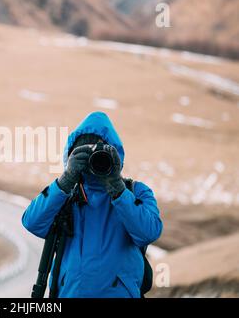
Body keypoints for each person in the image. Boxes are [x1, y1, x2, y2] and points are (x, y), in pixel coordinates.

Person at [22, 111, 163, 298]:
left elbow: (149, 232)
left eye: (101, 154)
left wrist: (118, 190)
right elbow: (32, 222)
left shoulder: (135, 192)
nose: (93, 161)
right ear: (72, 156)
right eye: (85, 153)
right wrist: (65, 180)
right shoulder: (65, 194)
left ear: (114, 155)